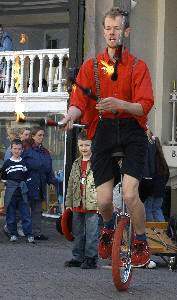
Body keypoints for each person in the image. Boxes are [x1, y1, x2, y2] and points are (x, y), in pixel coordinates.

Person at [61, 7, 154, 267]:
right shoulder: (91, 66)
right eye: (108, 29)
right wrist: (70, 116)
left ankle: (140, 240)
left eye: (117, 29)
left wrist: (120, 103)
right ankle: (109, 227)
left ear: (126, 32)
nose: (112, 33)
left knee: (129, 195)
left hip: (132, 131)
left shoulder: (138, 66)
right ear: (104, 32)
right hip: (102, 130)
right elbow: (78, 100)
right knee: (102, 201)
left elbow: (144, 106)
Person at [64, 131, 99, 269]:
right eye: (81, 145)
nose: (84, 148)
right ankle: (77, 257)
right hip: (77, 203)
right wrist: (69, 204)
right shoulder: (76, 163)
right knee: (78, 232)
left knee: (92, 233)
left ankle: (91, 258)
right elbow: (71, 184)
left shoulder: (96, 162)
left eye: (87, 145)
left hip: (93, 204)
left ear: (92, 145)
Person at [22, 127, 58, 240]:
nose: (42, 137)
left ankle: (36, 232)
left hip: (40, 184)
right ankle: (15, 230)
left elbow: (48, 168)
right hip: (27, 183)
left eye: (43, 135)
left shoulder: (45, 151)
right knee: (23, 208)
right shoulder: (25, 149)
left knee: (37, 210)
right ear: (33, 136)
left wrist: (51, 181)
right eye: (39, 135)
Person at [0, 139, 34, 243]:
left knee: (26, 215)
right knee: (11, 215)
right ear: (11, 149)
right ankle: (13, 234)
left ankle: (29, 235)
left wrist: (25, 188)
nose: (17, 151)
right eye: (15, 148)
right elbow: (4, 179)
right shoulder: (7, 163)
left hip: (22, 192)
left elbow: (28, 177)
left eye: (19, 149)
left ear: (22, 150)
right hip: (11, 192)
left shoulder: (24, 163)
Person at [143, 136, 169, 222]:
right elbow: (166, 176)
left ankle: (149, 232)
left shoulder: (150, 161)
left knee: (147, 212)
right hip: (160, 193)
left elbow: (149, 177)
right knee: (157, 211)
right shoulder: (163, 162)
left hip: (150, 192)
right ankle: (162, 231)